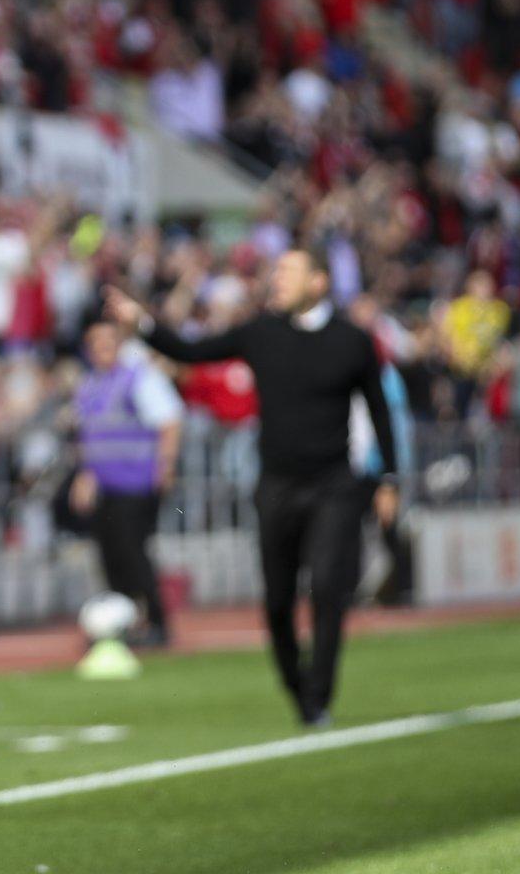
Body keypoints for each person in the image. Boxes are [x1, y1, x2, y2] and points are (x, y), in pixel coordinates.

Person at [106, 248, 397, 728]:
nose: (276, 278)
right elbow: (190, 351)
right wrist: (141, 323)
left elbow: (380, 409)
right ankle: (296, 686)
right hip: (277, 484)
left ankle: (320, 694)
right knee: (278, 601)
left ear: (319, 282)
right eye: (276, 270)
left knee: (327, 587)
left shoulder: (353, 341)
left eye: (288, 271)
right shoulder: (260, 333)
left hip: (333, 484)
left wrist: (389, 477)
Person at [67, 320, 182, 649]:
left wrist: (166, 466)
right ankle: (123, 622)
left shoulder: (140, 377)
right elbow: (89, 437)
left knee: (134, 554)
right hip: (105, 485)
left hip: (136, 482)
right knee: (111, 557)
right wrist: (85, 474)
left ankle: (156, 622)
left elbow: (169, 420)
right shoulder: (89, 384)